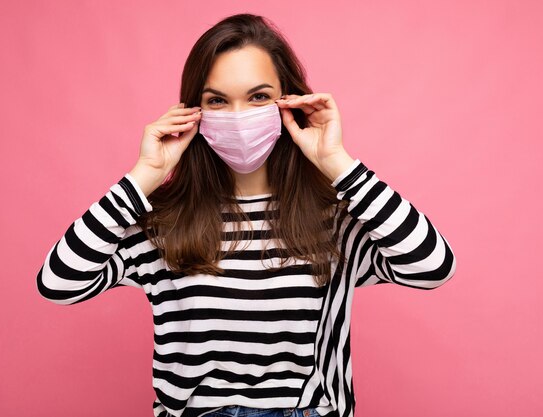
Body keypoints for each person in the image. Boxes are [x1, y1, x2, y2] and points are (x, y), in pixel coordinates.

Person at [36, 13, 457, 417]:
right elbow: (58, 283)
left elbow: (433, 267)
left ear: (289, 102)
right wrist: (144, 176)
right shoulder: (160, 225)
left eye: (258, 97)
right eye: (217, 100)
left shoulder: (336, 218)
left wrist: (337, 162)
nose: (238, 117)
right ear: (192, 112)